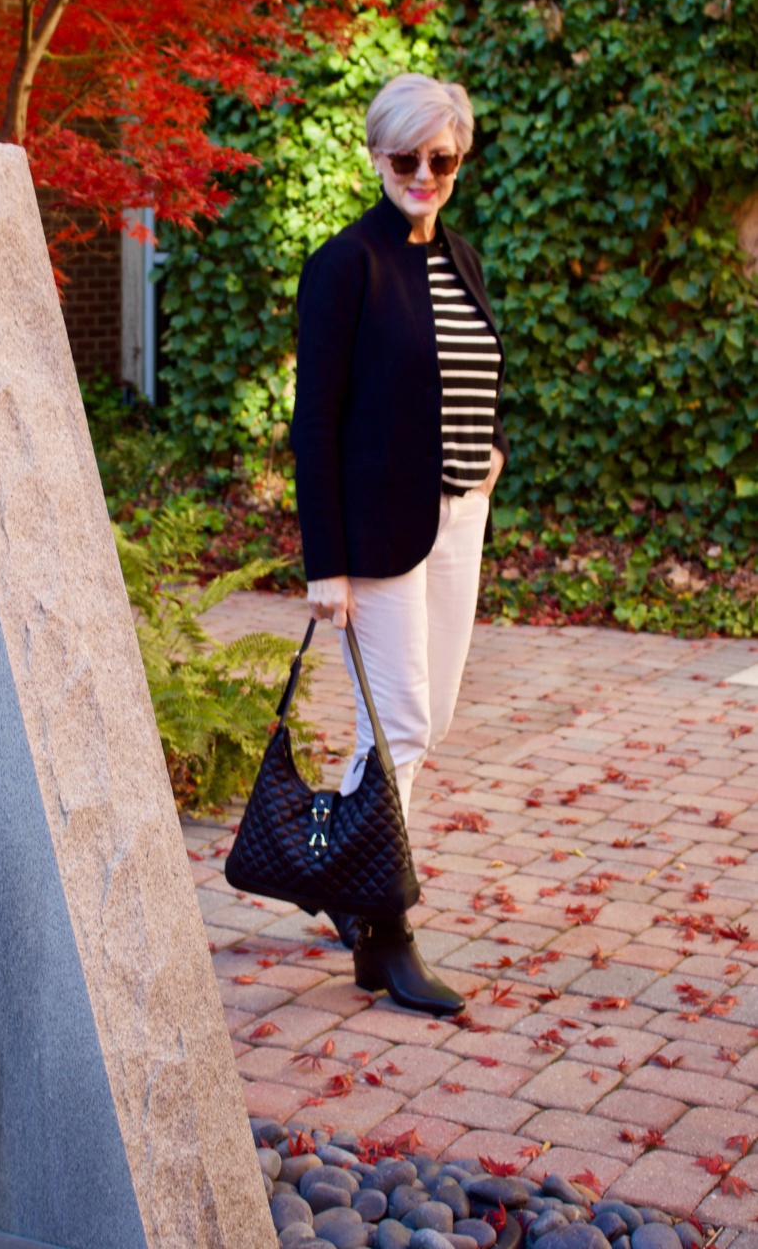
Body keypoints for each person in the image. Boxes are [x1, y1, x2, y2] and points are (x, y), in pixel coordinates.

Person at [289, 72, 509, 1015]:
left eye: (443, 158)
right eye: (407, 158)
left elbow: (471, 373)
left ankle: (345, 880)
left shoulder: (461, 256)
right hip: (375, 535)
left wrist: (489, 452)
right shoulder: (345, 265)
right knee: (403, 722)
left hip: (459, 515)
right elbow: (316, 420)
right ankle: (385, 929)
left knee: (423, 721)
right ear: (376, 159)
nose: (425, 173)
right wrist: (322, 563)